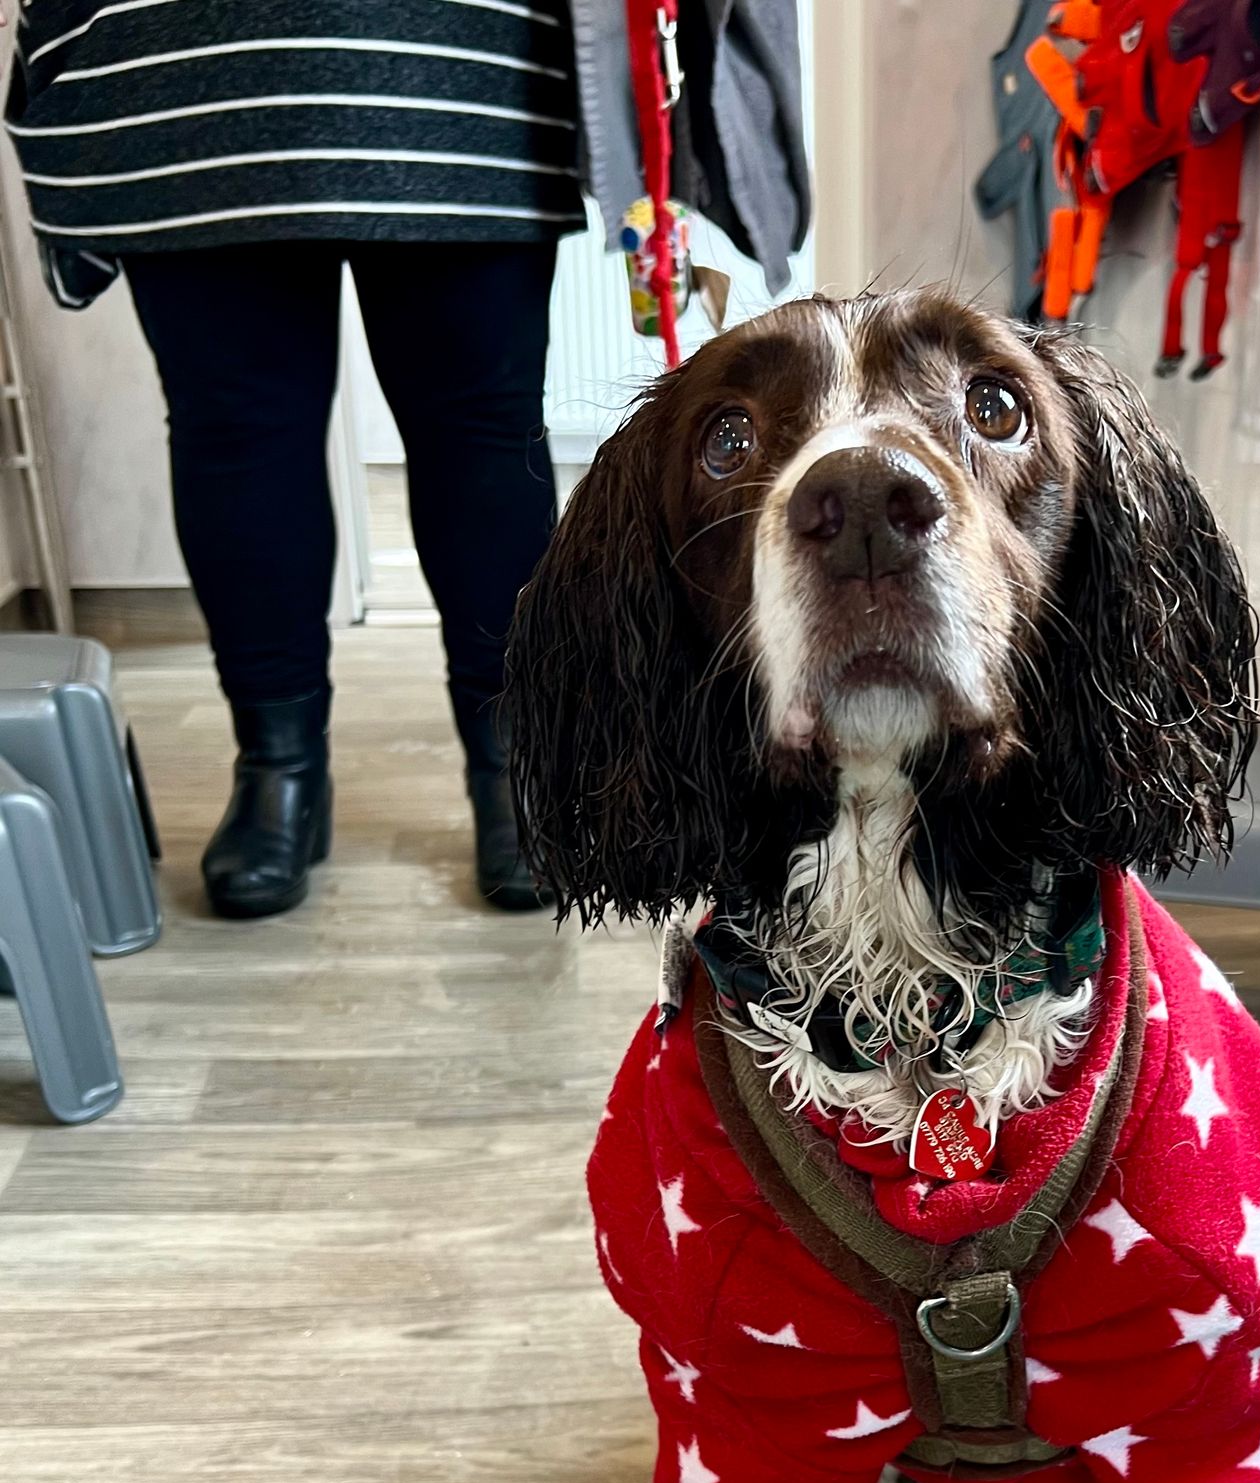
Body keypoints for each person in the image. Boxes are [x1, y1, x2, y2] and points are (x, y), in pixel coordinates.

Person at [6, 1, 810, 916]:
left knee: (479, 434)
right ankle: (278, 765)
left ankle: (513, 767)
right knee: (234, 437)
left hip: (456, 51)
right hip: (188, 60)